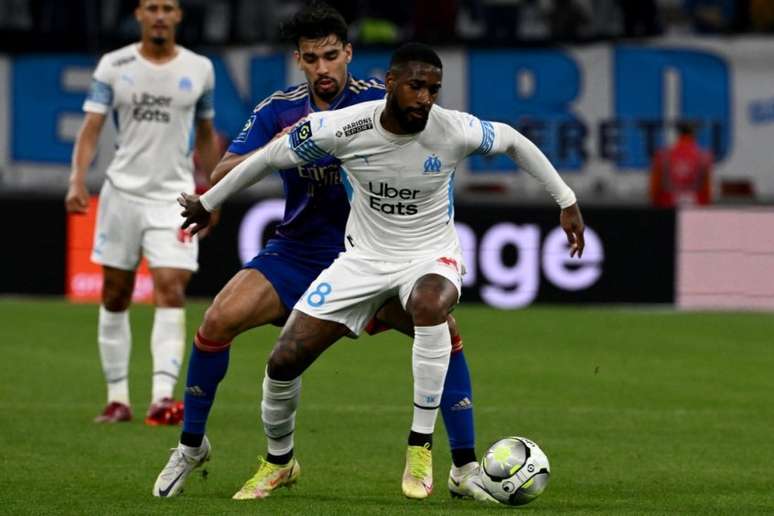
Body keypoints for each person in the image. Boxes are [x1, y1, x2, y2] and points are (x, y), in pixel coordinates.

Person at [176, 42, 585, 500]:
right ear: (391, 83)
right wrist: (208, 202)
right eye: (416, 87)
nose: (425, 98)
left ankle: (421, 445)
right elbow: (269, 158)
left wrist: (565, 200)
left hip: (430, 256)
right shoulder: (344, 127)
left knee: (433, 308)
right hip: (362, 261)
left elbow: (512, 139)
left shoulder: (452, 129)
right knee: (283, 360)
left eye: (434, 89)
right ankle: (278, 462)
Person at [152, 3, 487, 502]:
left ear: (348, 53)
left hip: (373, 255)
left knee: (442, 328)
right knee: (218, 320)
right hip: (297, 252)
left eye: (331, 55)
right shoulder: (280, 109)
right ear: (299, 60)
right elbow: (223, 172)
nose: (322, 68)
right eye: (311, 58)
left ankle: (465, 465)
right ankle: (192, 445)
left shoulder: (383, 100)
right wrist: (283, 144)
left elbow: (440, 150)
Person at [65, 0, 219, 425]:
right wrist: (77, 180)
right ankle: (117, 399)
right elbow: (91, 127)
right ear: (138, 14)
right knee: (115, 292)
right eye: (152, 7)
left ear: (178, 16)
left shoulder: (200, 68)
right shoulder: (113, 65)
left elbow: (206, 134)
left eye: (167, 7)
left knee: (170, 286)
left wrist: (215, 192)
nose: (159, 15)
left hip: (174, 197)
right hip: (122, 195)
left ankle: (161, 399)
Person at [649, 121, 713, 208]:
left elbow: (655, 188)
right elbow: (707, 190)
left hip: (667, 206)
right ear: (694, 134)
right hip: (696, 208)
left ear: (679, 134)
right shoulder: (704, 157)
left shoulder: (663, 156)